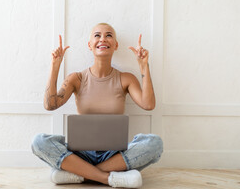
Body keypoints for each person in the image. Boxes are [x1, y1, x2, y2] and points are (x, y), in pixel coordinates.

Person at [31, 23, 163, 188]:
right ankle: (108, 178)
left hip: (115, 155)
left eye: (108, 35)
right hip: (80, 154)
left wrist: (144, 66)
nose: (103, 39)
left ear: (115, 45)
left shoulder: (126, 78)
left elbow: (148, 104)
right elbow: (50, 105)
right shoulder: (76, 78)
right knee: (39, 142)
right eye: (97, 35)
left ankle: (78, 174)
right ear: (89, 45)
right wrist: (55, 66)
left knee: (155, 143)